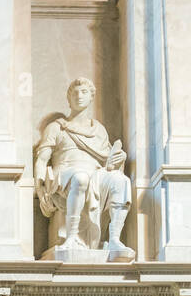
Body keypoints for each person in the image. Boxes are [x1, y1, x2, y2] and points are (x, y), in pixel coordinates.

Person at [34, 77, 134, 261]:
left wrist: (118, 159)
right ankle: (71, 237)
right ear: (68, 98)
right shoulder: (56, 127)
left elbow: (107, 163)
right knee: (80, 178)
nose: (79, 96)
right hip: (64, 173)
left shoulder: (99, 130)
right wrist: (40, 188)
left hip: (95, 173)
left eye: (84, 92)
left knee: (122, 181)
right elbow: (42, 160)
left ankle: (114, 239)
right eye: (74, 93)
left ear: (91, 98)